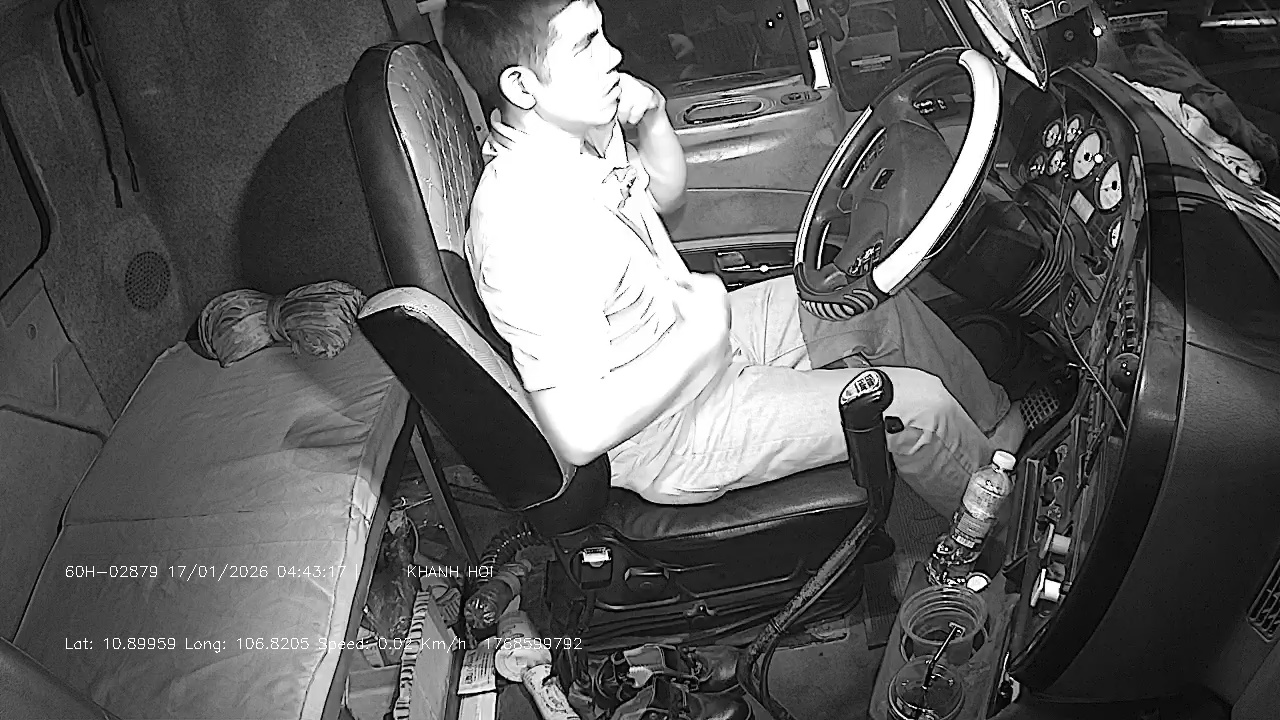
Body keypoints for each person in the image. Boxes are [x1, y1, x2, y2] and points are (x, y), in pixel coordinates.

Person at [442, 0, 1026, 515]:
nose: (613, 55)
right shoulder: (525, 224)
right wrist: (703, 338)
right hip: (671, 434)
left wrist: (653, 118)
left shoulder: (572, 136)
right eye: (585, 45)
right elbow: (576, 432)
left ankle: (998, 435)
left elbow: (662, 194)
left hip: (690, 343)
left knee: (867, 301)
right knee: (915, 407)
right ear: (522, 87)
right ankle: (1000, 537)